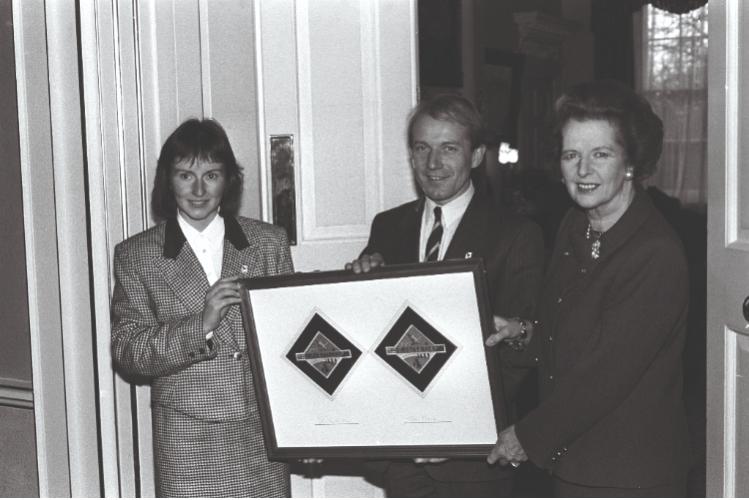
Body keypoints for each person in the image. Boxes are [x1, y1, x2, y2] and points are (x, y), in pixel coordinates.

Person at [486, 80, 690, 497]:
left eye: (600, 154)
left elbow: (605, 375)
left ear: (630, 163)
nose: (582, 171)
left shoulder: (655, 253)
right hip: (573, 459)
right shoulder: (574, 225)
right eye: (571, 155)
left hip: (627, 471)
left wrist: (526, 436)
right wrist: (521, 331)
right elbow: (564, 331)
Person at [347, 94, 545, 497]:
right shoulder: (387, 228)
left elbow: (525, 353)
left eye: (448, 148)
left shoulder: (517, 235)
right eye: (422, 148)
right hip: (400, 461)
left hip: (476, 463)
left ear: (476, 156)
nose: (433, 164)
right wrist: (358, 290)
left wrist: (448, 429)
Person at [110, 118, 293, 497]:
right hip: (188, 439)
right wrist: (200, 325)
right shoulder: (137, 255)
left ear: (229, 180)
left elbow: (290, 343)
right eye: (184, 175)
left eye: (211, 175)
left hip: (262, 435)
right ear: (168, 180)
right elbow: (129, 353)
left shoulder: (268, 243)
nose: (197, 190)